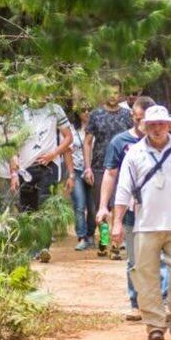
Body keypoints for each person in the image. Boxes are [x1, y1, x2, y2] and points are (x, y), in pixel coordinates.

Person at [113, 105, 171, 340]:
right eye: (152, 125)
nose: (156, 129)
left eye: (161, 124)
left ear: (169, 126)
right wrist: (117, 222)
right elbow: (123, 189)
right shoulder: (134, 153)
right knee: (146, 276)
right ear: (144, 127)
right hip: (145, 225)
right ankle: (154, 324)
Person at [97, 97, 170, 320]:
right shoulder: (120, 142)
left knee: (162, 257)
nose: (143, 124)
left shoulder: (166, 143)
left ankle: (163, 301)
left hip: (159, 209)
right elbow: (110, 174)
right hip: (130, 210)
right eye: (139, 119)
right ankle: (137, 303)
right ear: (133, 117)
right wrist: (103, 206)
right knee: (134, 259)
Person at [0, 99, 73, 263]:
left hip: (49, 164)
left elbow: (68, 138)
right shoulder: (18, 112)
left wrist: (54, 154)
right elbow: (12, 144)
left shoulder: (55, 109)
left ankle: (44, 247)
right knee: (27, 208)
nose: (42, 95)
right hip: (25, 167)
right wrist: (13, 172)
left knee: (45, 204)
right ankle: (31, 247)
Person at [84, 82, 132, 257]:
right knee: (102, 206)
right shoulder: (96, 115)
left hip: (122, 167)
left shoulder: (127, 115)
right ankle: (104, 240)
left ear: (121, 94)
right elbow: (87, 142)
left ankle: (115, 245)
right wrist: (87, 168)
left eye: (116, 92)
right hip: (99, 166)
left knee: (119, 205)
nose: (113, 96)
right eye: (109, 92)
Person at [67, 107, 95, 251]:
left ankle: (91, 235)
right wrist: (71, 174)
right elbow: (67, 152)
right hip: (77, 170)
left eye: (89, 109)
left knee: (93, 207)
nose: (87, 112)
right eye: (83, 110)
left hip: (94, 170)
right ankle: (82, 236)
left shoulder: (96, 127)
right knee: (79, 204)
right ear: (77, 112)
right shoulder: (71, 130)